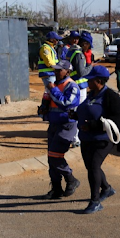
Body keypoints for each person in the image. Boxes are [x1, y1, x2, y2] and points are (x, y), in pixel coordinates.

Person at [76, 66, 120, 214]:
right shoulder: (91, 94)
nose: (88, 81)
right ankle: (106, 188)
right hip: (86, 138)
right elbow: (86, 110)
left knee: (94, 166)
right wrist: (75, 115)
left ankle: (95, 202)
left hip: (104, 139)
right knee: (92, 167)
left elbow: (117, 120)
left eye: (91, 79)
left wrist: (94, 125)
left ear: (99, 81)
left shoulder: (111, 97)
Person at [38, 60, 81, 199]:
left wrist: (53, 90)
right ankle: (56, 189)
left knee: (55, 156)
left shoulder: (72, 86)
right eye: (55, 70)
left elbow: (66, 104)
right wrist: (43, 110)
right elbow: (48, 103)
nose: (56, 72)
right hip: (54, 125)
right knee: (52, 159)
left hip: (67, 125)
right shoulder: (53, 86)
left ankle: (71, 179)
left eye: (59, 70)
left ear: (67, 72)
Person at [37, 31, 61, 116]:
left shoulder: (51, 48)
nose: (57, 41)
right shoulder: (45, 48)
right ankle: (44, 111)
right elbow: (49, 63)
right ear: (51, 39)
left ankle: (46, 110)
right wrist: (59, 68)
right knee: (51, 91)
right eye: (56, 39)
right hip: (48, 74)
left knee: (49, 92)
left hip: (51, 73)